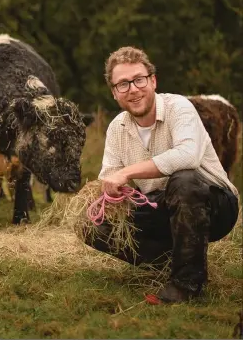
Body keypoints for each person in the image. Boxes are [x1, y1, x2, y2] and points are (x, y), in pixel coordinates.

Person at [84, 46, 239, 303]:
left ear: (153, 81)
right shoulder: (116, 128)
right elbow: (110, 174)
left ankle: (187, 284)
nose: (132, 89)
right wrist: (114, 192)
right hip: (162, 206)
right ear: (114, 93)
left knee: (184, 179)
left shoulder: (179, 107)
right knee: (90, 225)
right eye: (122, 84)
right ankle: (171, 259)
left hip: (215, 204)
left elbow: (187, 156)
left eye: (138, 80)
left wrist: (127, 172)